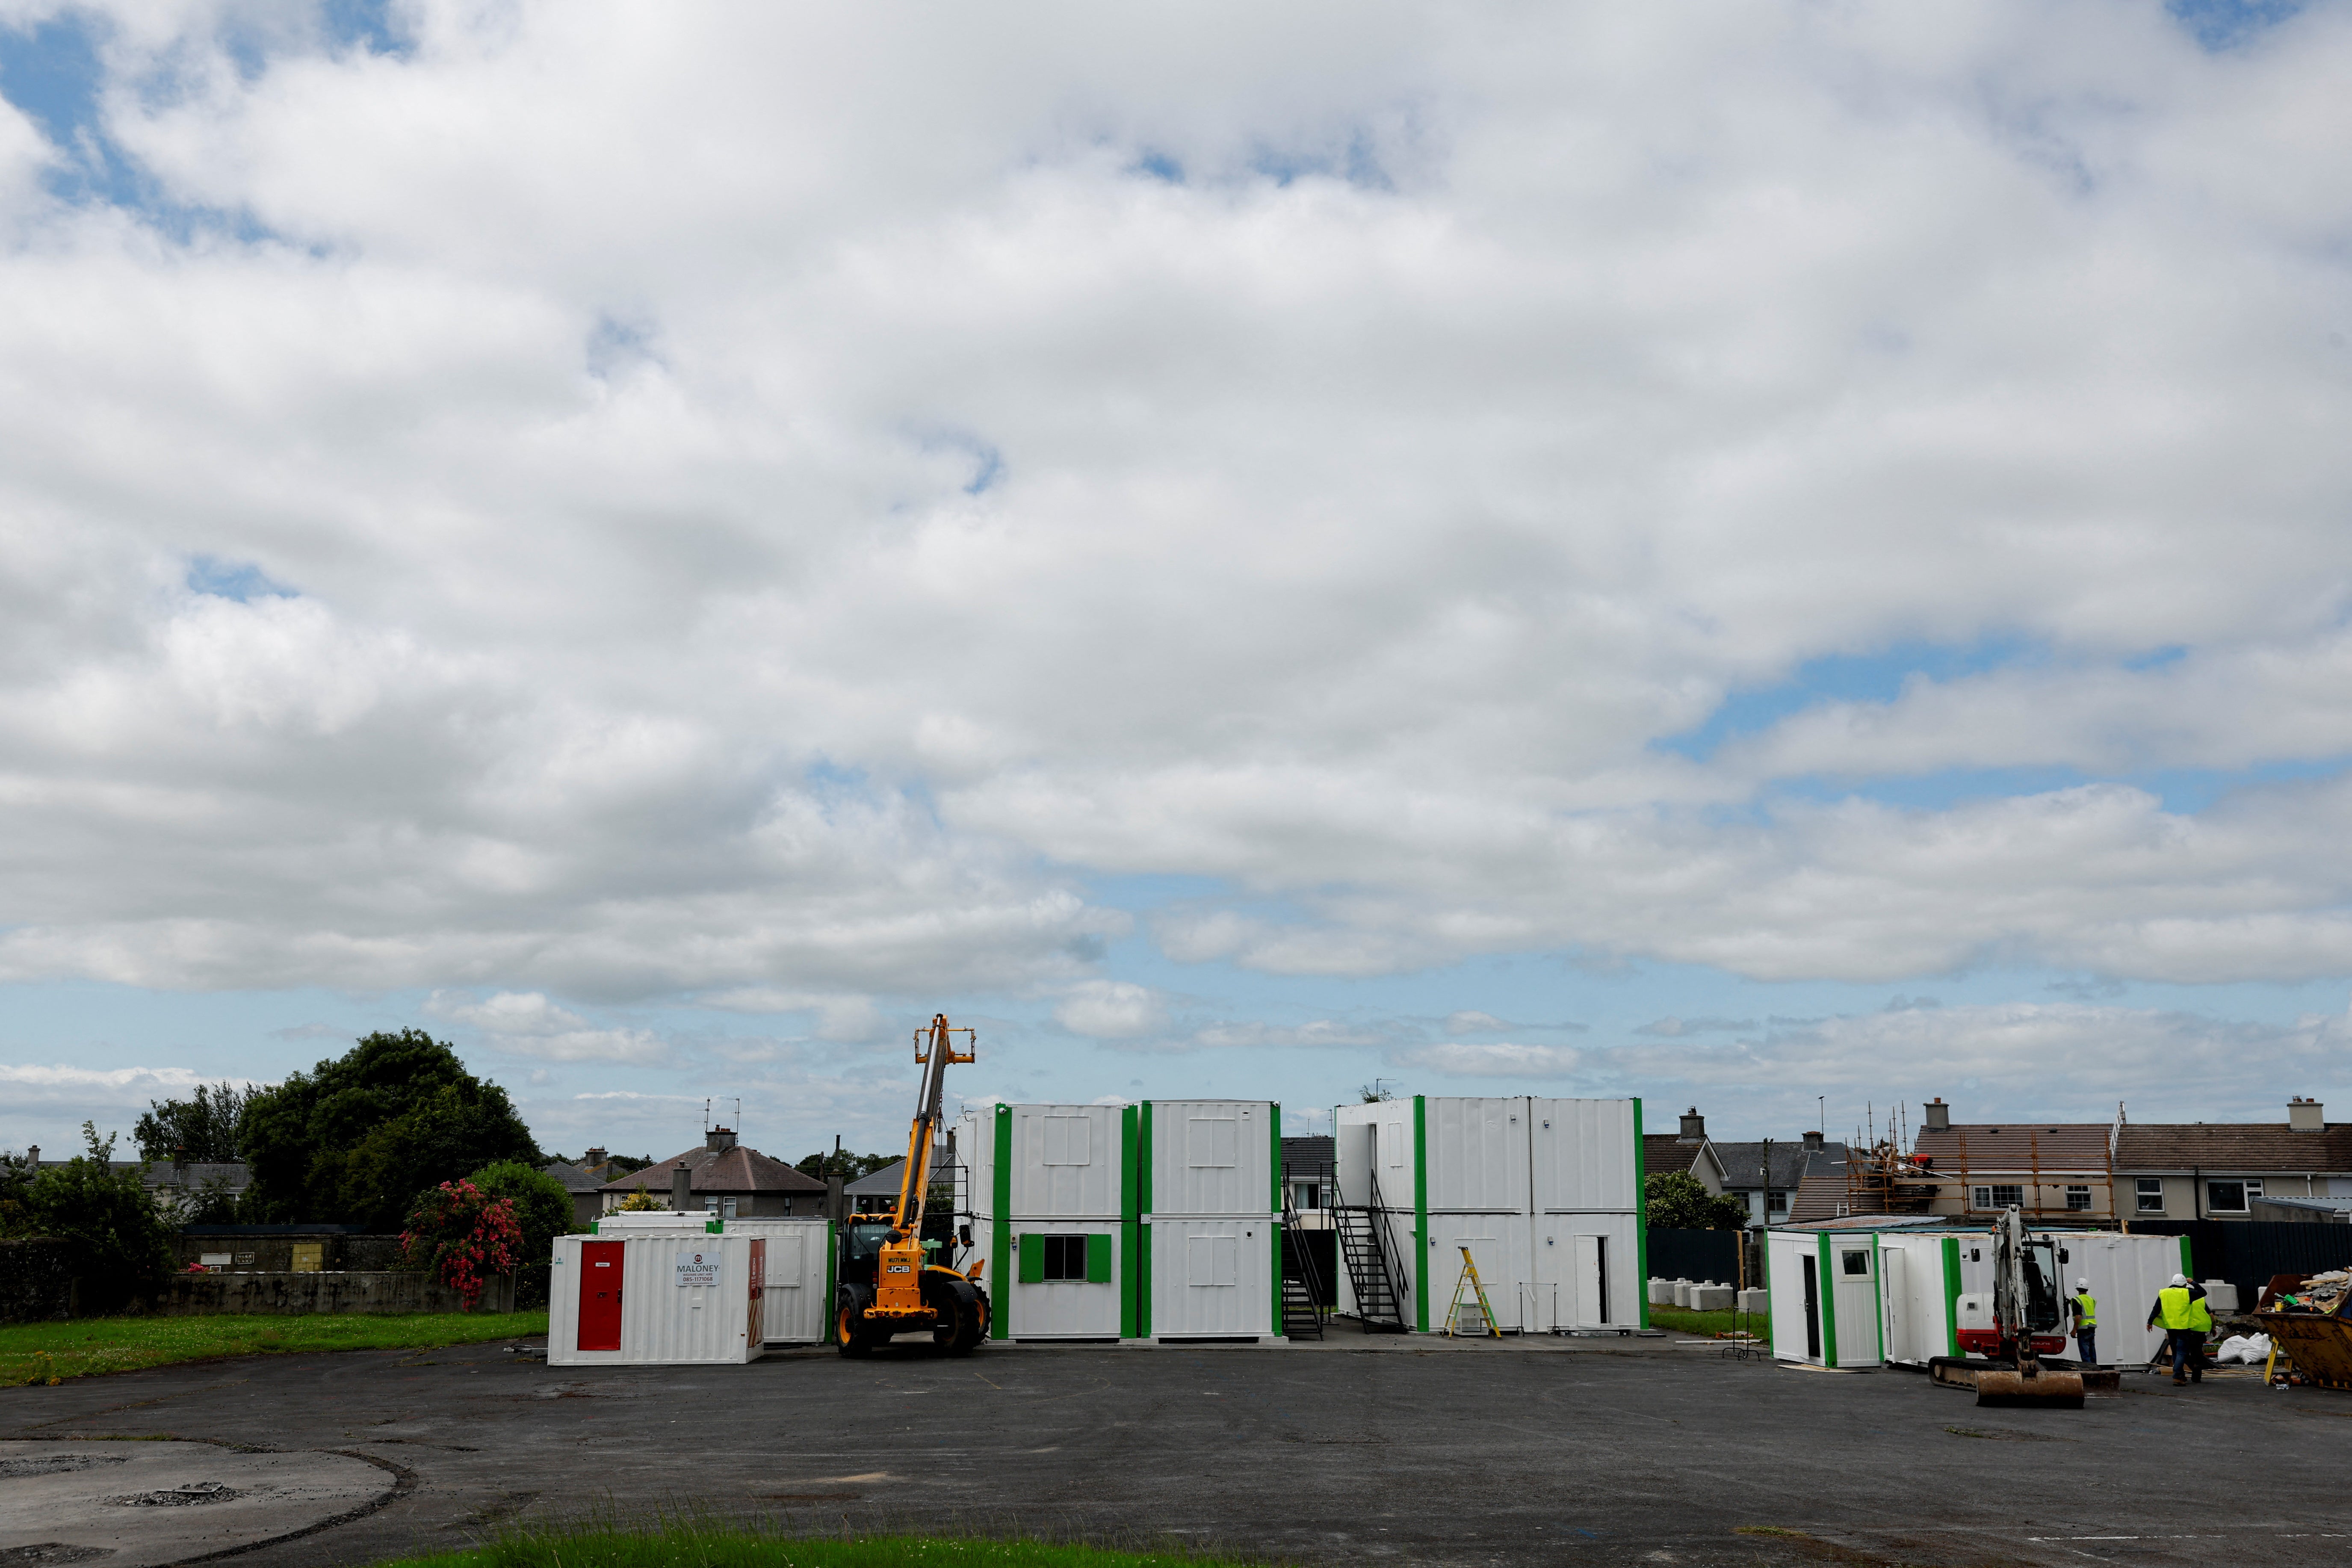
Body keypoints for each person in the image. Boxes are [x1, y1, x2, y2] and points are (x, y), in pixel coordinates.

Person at [2146, 1273, 2208, 1385]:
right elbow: (2203, 1293)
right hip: (2183, 1327)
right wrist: (2192, 1282)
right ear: (2184, 1285)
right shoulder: (2187, 1293)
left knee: (2175, 1352)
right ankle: (2178, 1376)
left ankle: (2181, 1376)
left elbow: (2156, 1308)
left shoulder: (2164, 1293)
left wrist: (2150, 1322)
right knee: (2181, 1352)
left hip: (2170, 1327)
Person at [2070, 1277, 2097, 1368]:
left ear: (2077, 1289)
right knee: (2092, 1350)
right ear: (2087, 1289)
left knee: (2085, 1352)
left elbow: (2078, 1316)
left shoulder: (2076, 1300)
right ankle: (2095, 1368)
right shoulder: (2092, 1300)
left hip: (2083, 1329)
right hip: (2092, 1328)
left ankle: (2089, 1369)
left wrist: (2074, 1329)